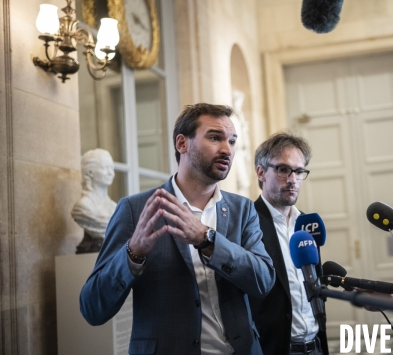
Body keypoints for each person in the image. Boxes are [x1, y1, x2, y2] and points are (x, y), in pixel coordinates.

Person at [80, 103, 275, 355]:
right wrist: (133, 253)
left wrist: (207, 239)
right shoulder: (134, 210)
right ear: (182, 144)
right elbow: (92, 308)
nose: (227, 149)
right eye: (215, 137)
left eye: (232, 141)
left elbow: (264, 281)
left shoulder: (243, 209)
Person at [249, 132, 329, 355]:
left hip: (315, 346)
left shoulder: (307, 223)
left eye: (300, 171)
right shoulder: (247, 222)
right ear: (261, 172)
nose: (293, 179)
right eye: (283, 169)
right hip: (272, 348)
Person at [71, 148, 117, 253]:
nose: (111, 173)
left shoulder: (114, 206)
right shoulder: (83, 206)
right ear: (90, 172)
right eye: (105, 168)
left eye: (112, 168)